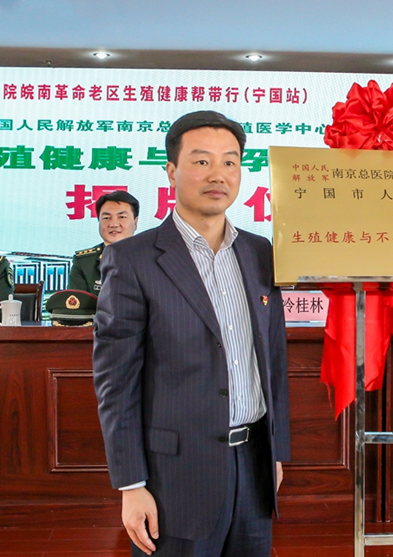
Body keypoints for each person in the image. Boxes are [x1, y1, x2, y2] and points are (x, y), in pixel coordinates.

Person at [93, 110, 290, 557]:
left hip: (254, 466)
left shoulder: (260, 252)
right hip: (175, 476)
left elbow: (273, 360)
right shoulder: (133, 259)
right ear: (171, 171)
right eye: (202, 161)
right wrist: (131, 484)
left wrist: (276, 453)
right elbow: (116, 382)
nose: (218, 174)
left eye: (230, 162)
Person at [68, 190, 139, 295]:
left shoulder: (151, 258)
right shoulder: (84, 263)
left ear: (135, 223)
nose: (113, 224)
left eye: (122, 217)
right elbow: (77, 302)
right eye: (106, 218)